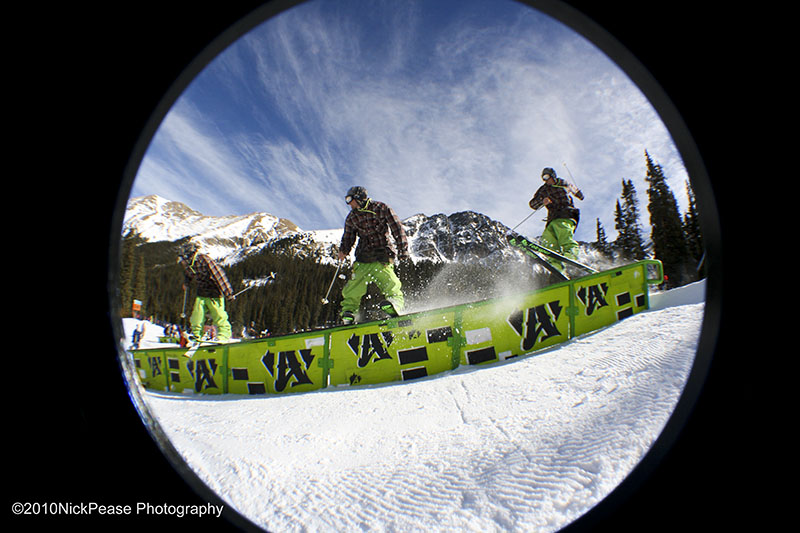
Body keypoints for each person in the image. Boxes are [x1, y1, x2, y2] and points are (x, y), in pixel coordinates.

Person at [337, 186, 410, 324]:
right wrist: (343, 250)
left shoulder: (381, 208)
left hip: (382, 254)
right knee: (354, 287)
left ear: (359, 197)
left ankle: (395, 304)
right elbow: (348, 236)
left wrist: (403, 250)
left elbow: (397, 227)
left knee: (390, 282)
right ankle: (349, 312)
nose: (349, 204)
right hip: (363, 257)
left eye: (349, 200)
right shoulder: (352, 217)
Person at [528, 167, 585, 274]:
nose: (546, 180)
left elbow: (577, 193)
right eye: (544, 178)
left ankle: (571, 253)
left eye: (547, 177)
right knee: (548, 239)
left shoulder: (564, 183)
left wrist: (579, 194)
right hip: (552, 217)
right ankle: (556, 265)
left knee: (563, 232)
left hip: (566, 214)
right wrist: (542, 200)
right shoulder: (543, 190)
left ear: (553, 175)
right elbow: (532, 204)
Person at [177, 241, 235, 343]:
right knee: (197, 315)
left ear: (190, 255)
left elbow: (219, 275)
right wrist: (186, 283)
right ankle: (196, 335)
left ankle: (223, 335)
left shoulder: (204, 260)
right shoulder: (188, 265)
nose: (182, 261)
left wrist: (228, 293)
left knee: (218, 314)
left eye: (183, 258)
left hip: (214, 292)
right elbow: (188, 274)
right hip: (202, 292)